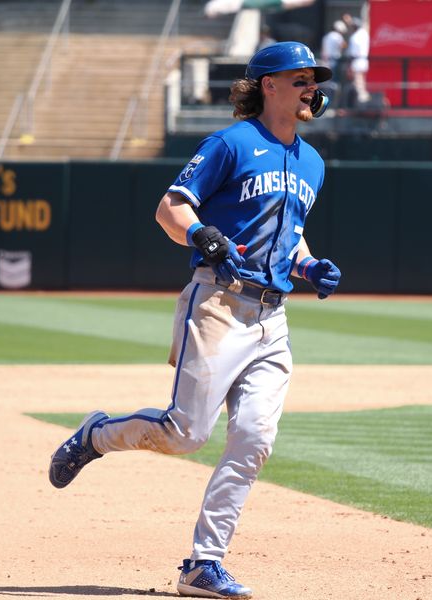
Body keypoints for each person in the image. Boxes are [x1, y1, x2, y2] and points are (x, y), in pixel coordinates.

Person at [48, 41, 341, 600]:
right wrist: (200, 233)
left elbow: (289, 232)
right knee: (185, 435)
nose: (311, 88)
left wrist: (307, 265)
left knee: (254, 439)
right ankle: (97, 434)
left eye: (313, 80)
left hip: (272, 319)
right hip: (219, 306)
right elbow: (171, 207)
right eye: (299, 78)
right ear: (268, 85)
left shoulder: (313, 161)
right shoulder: (230, 144)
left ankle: (202, 563)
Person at [346, 17, 370, 105]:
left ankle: (363, 104)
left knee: (359, 86)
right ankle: (362, 102)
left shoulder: (355, 37)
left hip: (356, 63)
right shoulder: (364, 34)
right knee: (362, 84)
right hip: (364, 62)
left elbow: (352, 54)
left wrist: (349, 66)